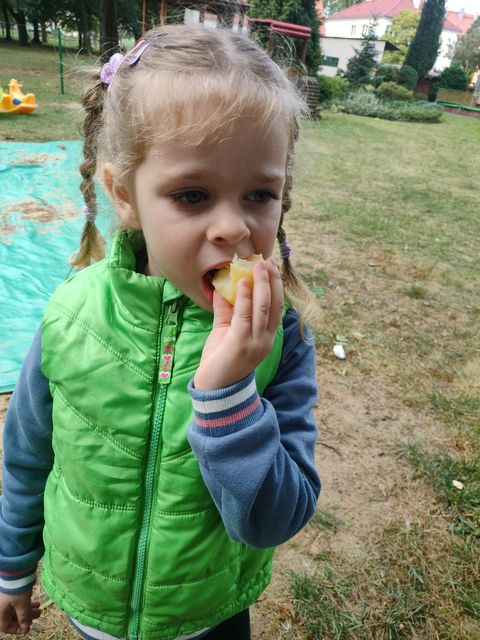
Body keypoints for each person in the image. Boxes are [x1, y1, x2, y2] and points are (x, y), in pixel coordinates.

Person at [0, 24, 320, 640]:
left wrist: (230, 399)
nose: (233, 228)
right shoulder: (72, 315)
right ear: (125, 195)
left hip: (207, 615)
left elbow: (275, 521)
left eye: (259, 194)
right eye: (193, 194)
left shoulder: (280, 339)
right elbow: (28, 454)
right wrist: (13, 566)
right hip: (92, 610)